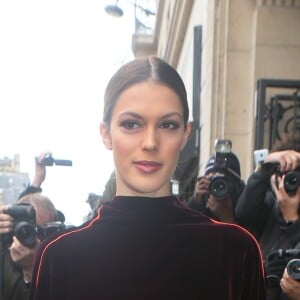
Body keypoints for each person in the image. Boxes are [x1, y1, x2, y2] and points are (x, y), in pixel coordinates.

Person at [29, 56, 266, 300]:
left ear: (185, 135)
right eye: (131, 124)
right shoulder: (60, 256)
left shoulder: (236, 250)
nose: (150, 142)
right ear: (106, 134)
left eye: (168, 125)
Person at [235, 132, 300, 300]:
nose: (290, 180)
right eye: (284, 172)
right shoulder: (271, 206)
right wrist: (266, 165)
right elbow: (243, 212)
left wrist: (291, 219)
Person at [0, 193, 62, 300]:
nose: (35, 238)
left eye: (42, 231)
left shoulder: (58, 263)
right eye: (28, 228)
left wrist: (34, 269)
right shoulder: (4, 250)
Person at [188, 151, 244, 223]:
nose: (218, 185)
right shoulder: (202, 201)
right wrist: (195, 202)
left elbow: (248, 233)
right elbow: (181, 230)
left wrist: (227, 217)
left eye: (223, 180)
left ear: (237, 186)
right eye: (213, 179)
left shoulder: (245, 208)